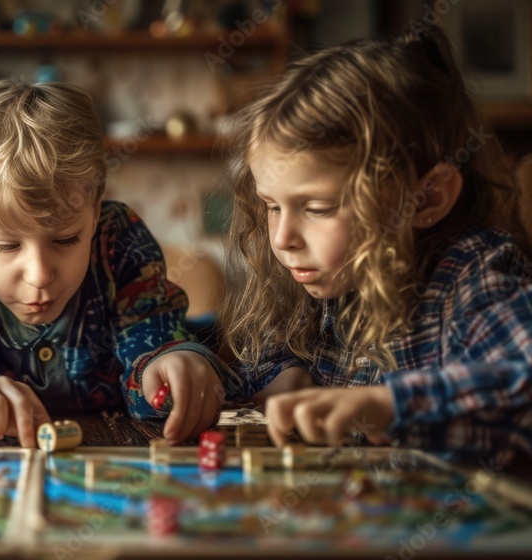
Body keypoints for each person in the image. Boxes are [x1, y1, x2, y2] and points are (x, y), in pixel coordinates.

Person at [220, 24, 532, 463]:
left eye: (319, 208)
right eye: (271, 206)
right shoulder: (326, 276)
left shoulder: (474, 275)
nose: (282, 238)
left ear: (428, 197)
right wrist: (285, 373)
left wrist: (389, 406)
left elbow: (521, 381)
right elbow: (271, 350)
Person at [0, 80, 233, 446]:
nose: (40, 275)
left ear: (95, 214)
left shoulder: (119, 242)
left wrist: (168, 366)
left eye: (66, 239)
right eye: (5, 245)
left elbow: (151, 337)